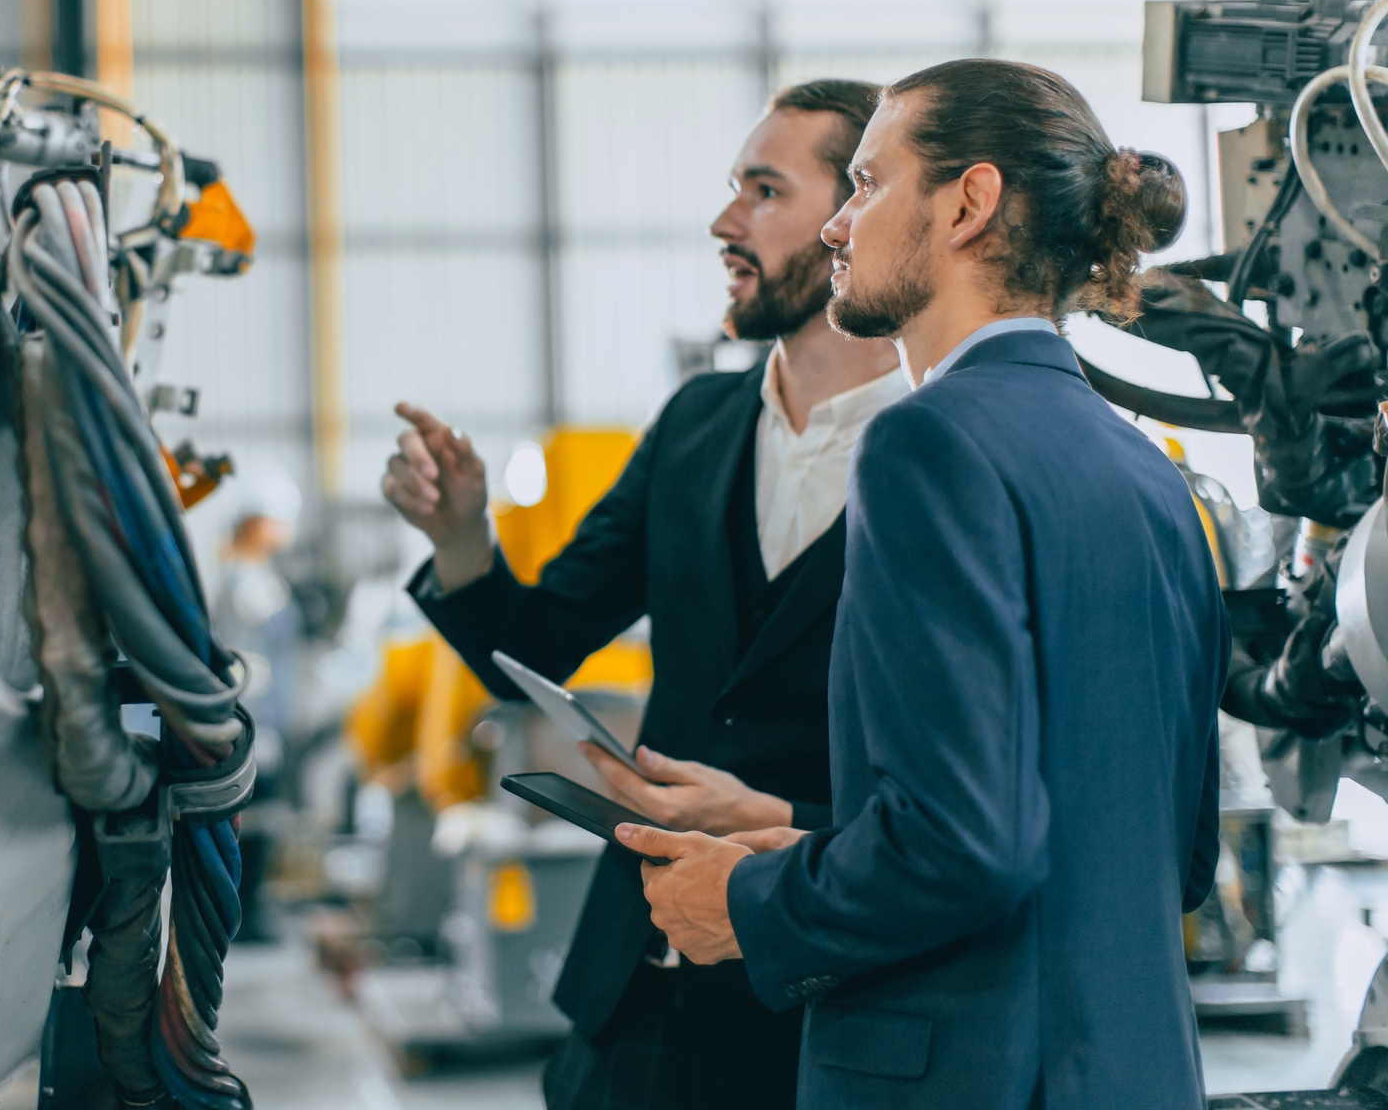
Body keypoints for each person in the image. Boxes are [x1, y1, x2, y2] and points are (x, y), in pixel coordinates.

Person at [621, 58, 1226, 1109]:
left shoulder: (927, 445)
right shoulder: (1147, 471)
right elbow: (1174, 852)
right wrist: (830, 848)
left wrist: (754, 900)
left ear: (967, 204)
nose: (837, 225)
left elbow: (967, 844)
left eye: (865, 183)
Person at [380, 80, 906, 1110]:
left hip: (824, 999)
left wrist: (791, 823)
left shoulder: (940, 459)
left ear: (857, 214)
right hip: (636, 998)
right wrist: (461, 537)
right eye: (734, 188)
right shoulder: (693, 425)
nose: (725, 222)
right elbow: (534, 644)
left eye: (764, 190)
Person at [211, 472, 304, 943]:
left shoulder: (259, 580)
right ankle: (241, 914)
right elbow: (241, 658)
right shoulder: (240, 582)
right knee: (246, 818)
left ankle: (251, 907)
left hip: (264, 721)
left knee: (262, 817)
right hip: (249, 722)